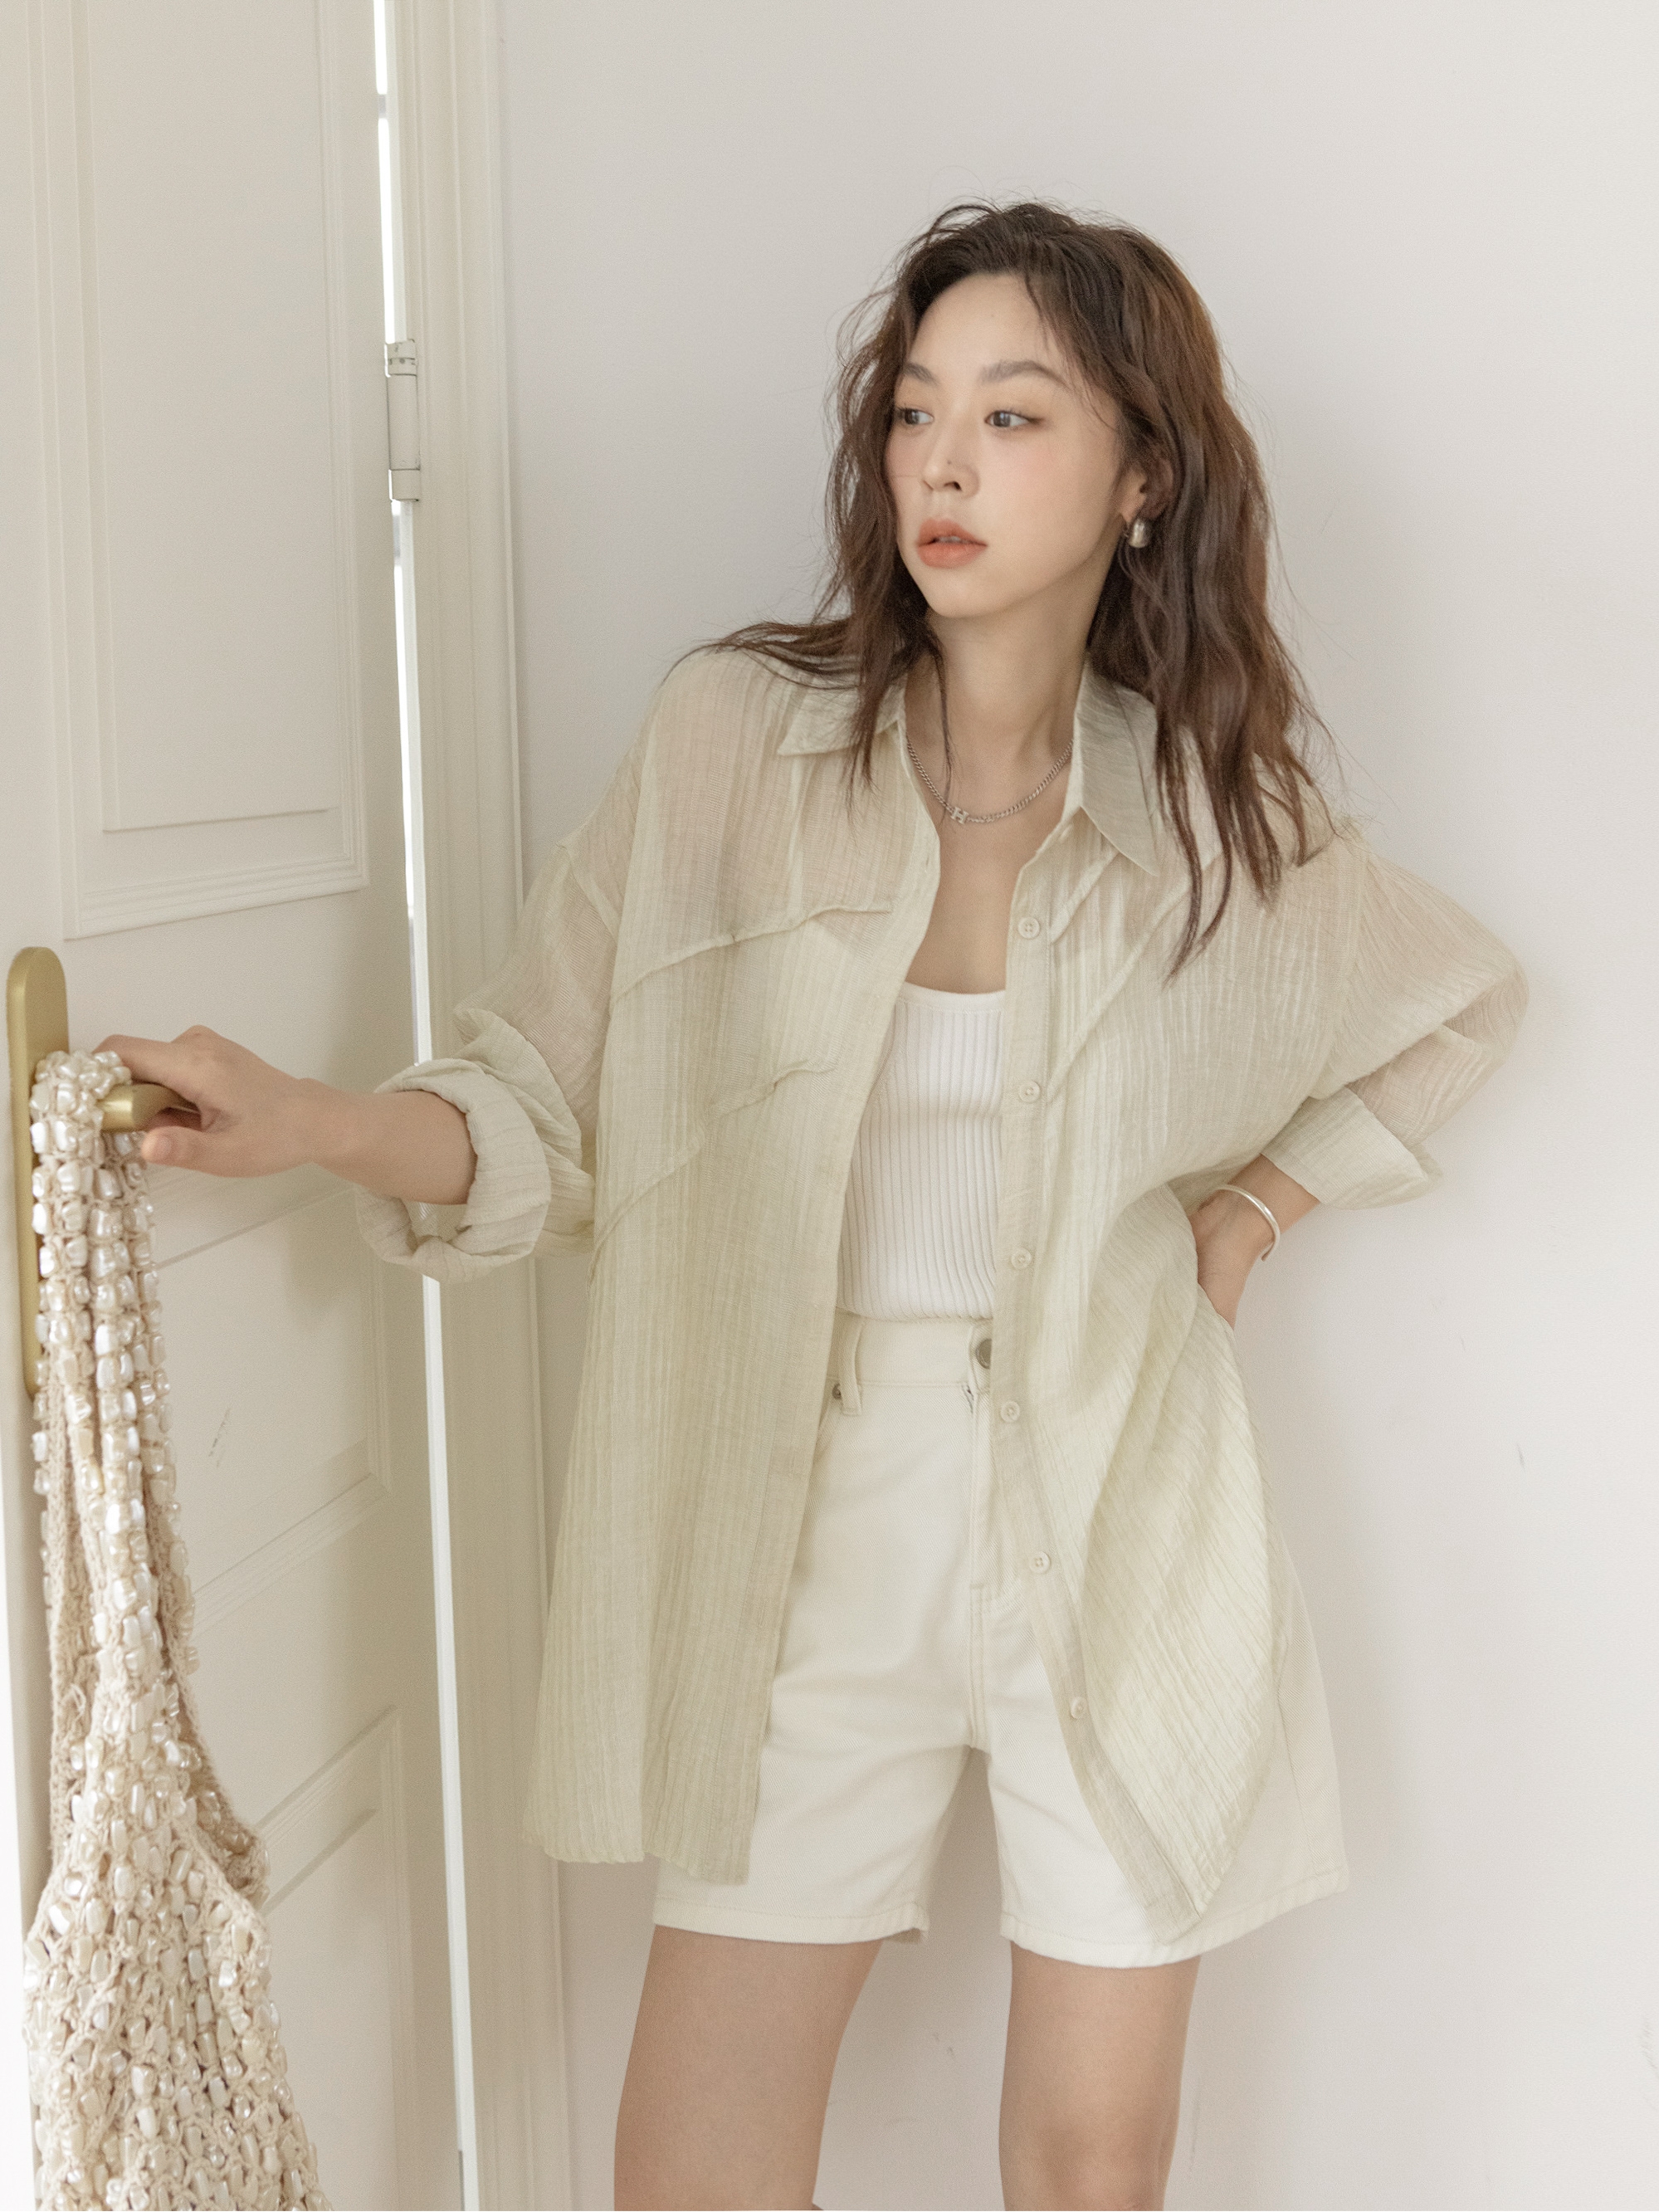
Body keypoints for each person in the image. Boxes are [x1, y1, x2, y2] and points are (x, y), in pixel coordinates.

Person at [102, 201, 1529, 2211]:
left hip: (1121, 1498)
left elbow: (1459, 1002)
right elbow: (539, 1098)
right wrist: (324, 1124)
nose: (942, 462)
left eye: (1012, 416)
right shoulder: (734, 745)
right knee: (697, 2156)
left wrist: (1252, 1214)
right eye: (915, 410)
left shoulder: (1210, 819)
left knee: (1094, 2161)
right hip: (805, 1501)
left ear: (1141, 478)